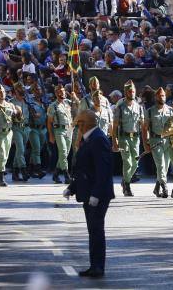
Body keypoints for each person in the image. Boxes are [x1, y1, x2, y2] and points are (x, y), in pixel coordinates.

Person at [63, 110, 115, 279]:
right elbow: (84, 168)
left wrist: (97, 194)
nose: (78, 127)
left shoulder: (98, 139)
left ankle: (98, 267)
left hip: (97, 195)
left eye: (79, 124)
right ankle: (94, 265)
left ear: (85, 124)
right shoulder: (90, 138)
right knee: (93, 231)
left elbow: (103, 170)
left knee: (96, 230)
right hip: (89, 193)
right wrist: (72, 187)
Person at [112, 80, 144, 196]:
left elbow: (142, 124)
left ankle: (125, 180)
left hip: (135, 138)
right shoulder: (120, 107)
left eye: (133, 91)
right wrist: (114, 140)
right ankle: (127, 186)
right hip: (123, 138)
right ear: (125, 92)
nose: (132, 93)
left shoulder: (139, 107)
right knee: (128, 163)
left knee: (135, 163)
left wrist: (146, 139)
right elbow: (114, 125)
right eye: (129, 91)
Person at [144, 87, 173, 198]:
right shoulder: (150, 111)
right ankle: (164, 187)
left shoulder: (170, 110)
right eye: (159, 95)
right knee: (161, 164)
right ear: (155, 97)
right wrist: (145, 143)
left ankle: (157, 188)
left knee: (165, 167)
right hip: (155, 140)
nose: (161, 97)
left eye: (163, 95)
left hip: (168, 141)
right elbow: (144, 128)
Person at [47, 84, 73, 184]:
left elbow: (79, 106)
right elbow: (49, 122)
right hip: (59, 131)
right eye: (60, 91)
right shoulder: (53, 106)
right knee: (62, 152)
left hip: (69, 129)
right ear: (56, 93)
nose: (62, 92)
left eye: (63, 90)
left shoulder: (68, 103)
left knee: (65, 154)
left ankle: (56, 173)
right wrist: (51, 135)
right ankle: (66, 175)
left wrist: (73, 96)